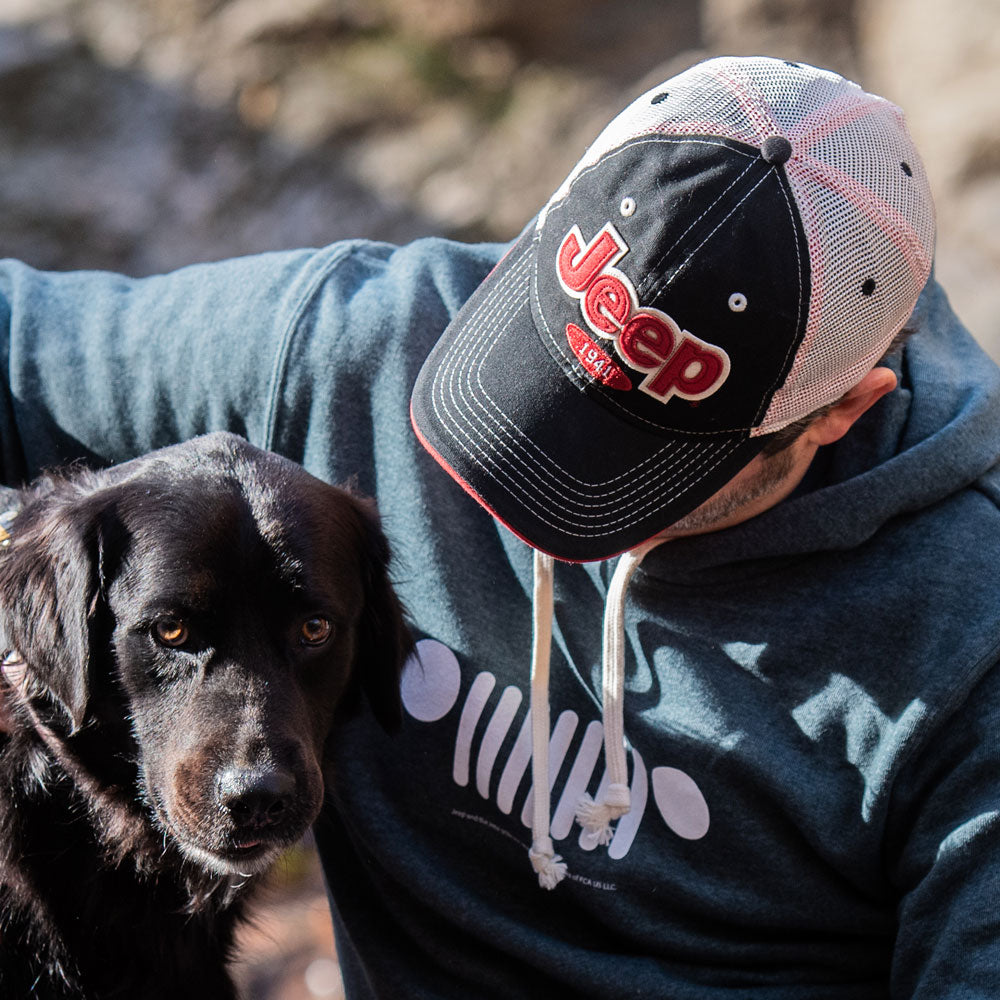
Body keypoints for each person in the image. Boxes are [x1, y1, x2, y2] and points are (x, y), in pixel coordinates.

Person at [1, 54, 999, 998]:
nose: (537, 468)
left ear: (840, 411)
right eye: (536, 382)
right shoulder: (357, 344)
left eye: (630, 455)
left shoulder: (966, 640)